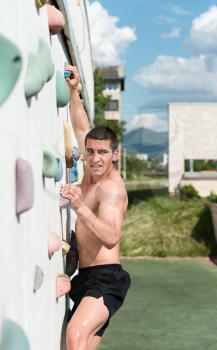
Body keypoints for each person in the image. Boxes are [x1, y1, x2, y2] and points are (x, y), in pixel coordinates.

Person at [61, 65, 131, 350]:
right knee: (84, 344)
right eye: (90, 152)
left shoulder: (111, 188)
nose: (95, 158)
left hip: (106, 279)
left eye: (103, 152)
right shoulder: (90, 171)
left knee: (75, 336)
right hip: (86, 277)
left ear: (115, 154)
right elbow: (80, 126)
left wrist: (80, 207)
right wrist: (74, 92)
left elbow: (111, 235)